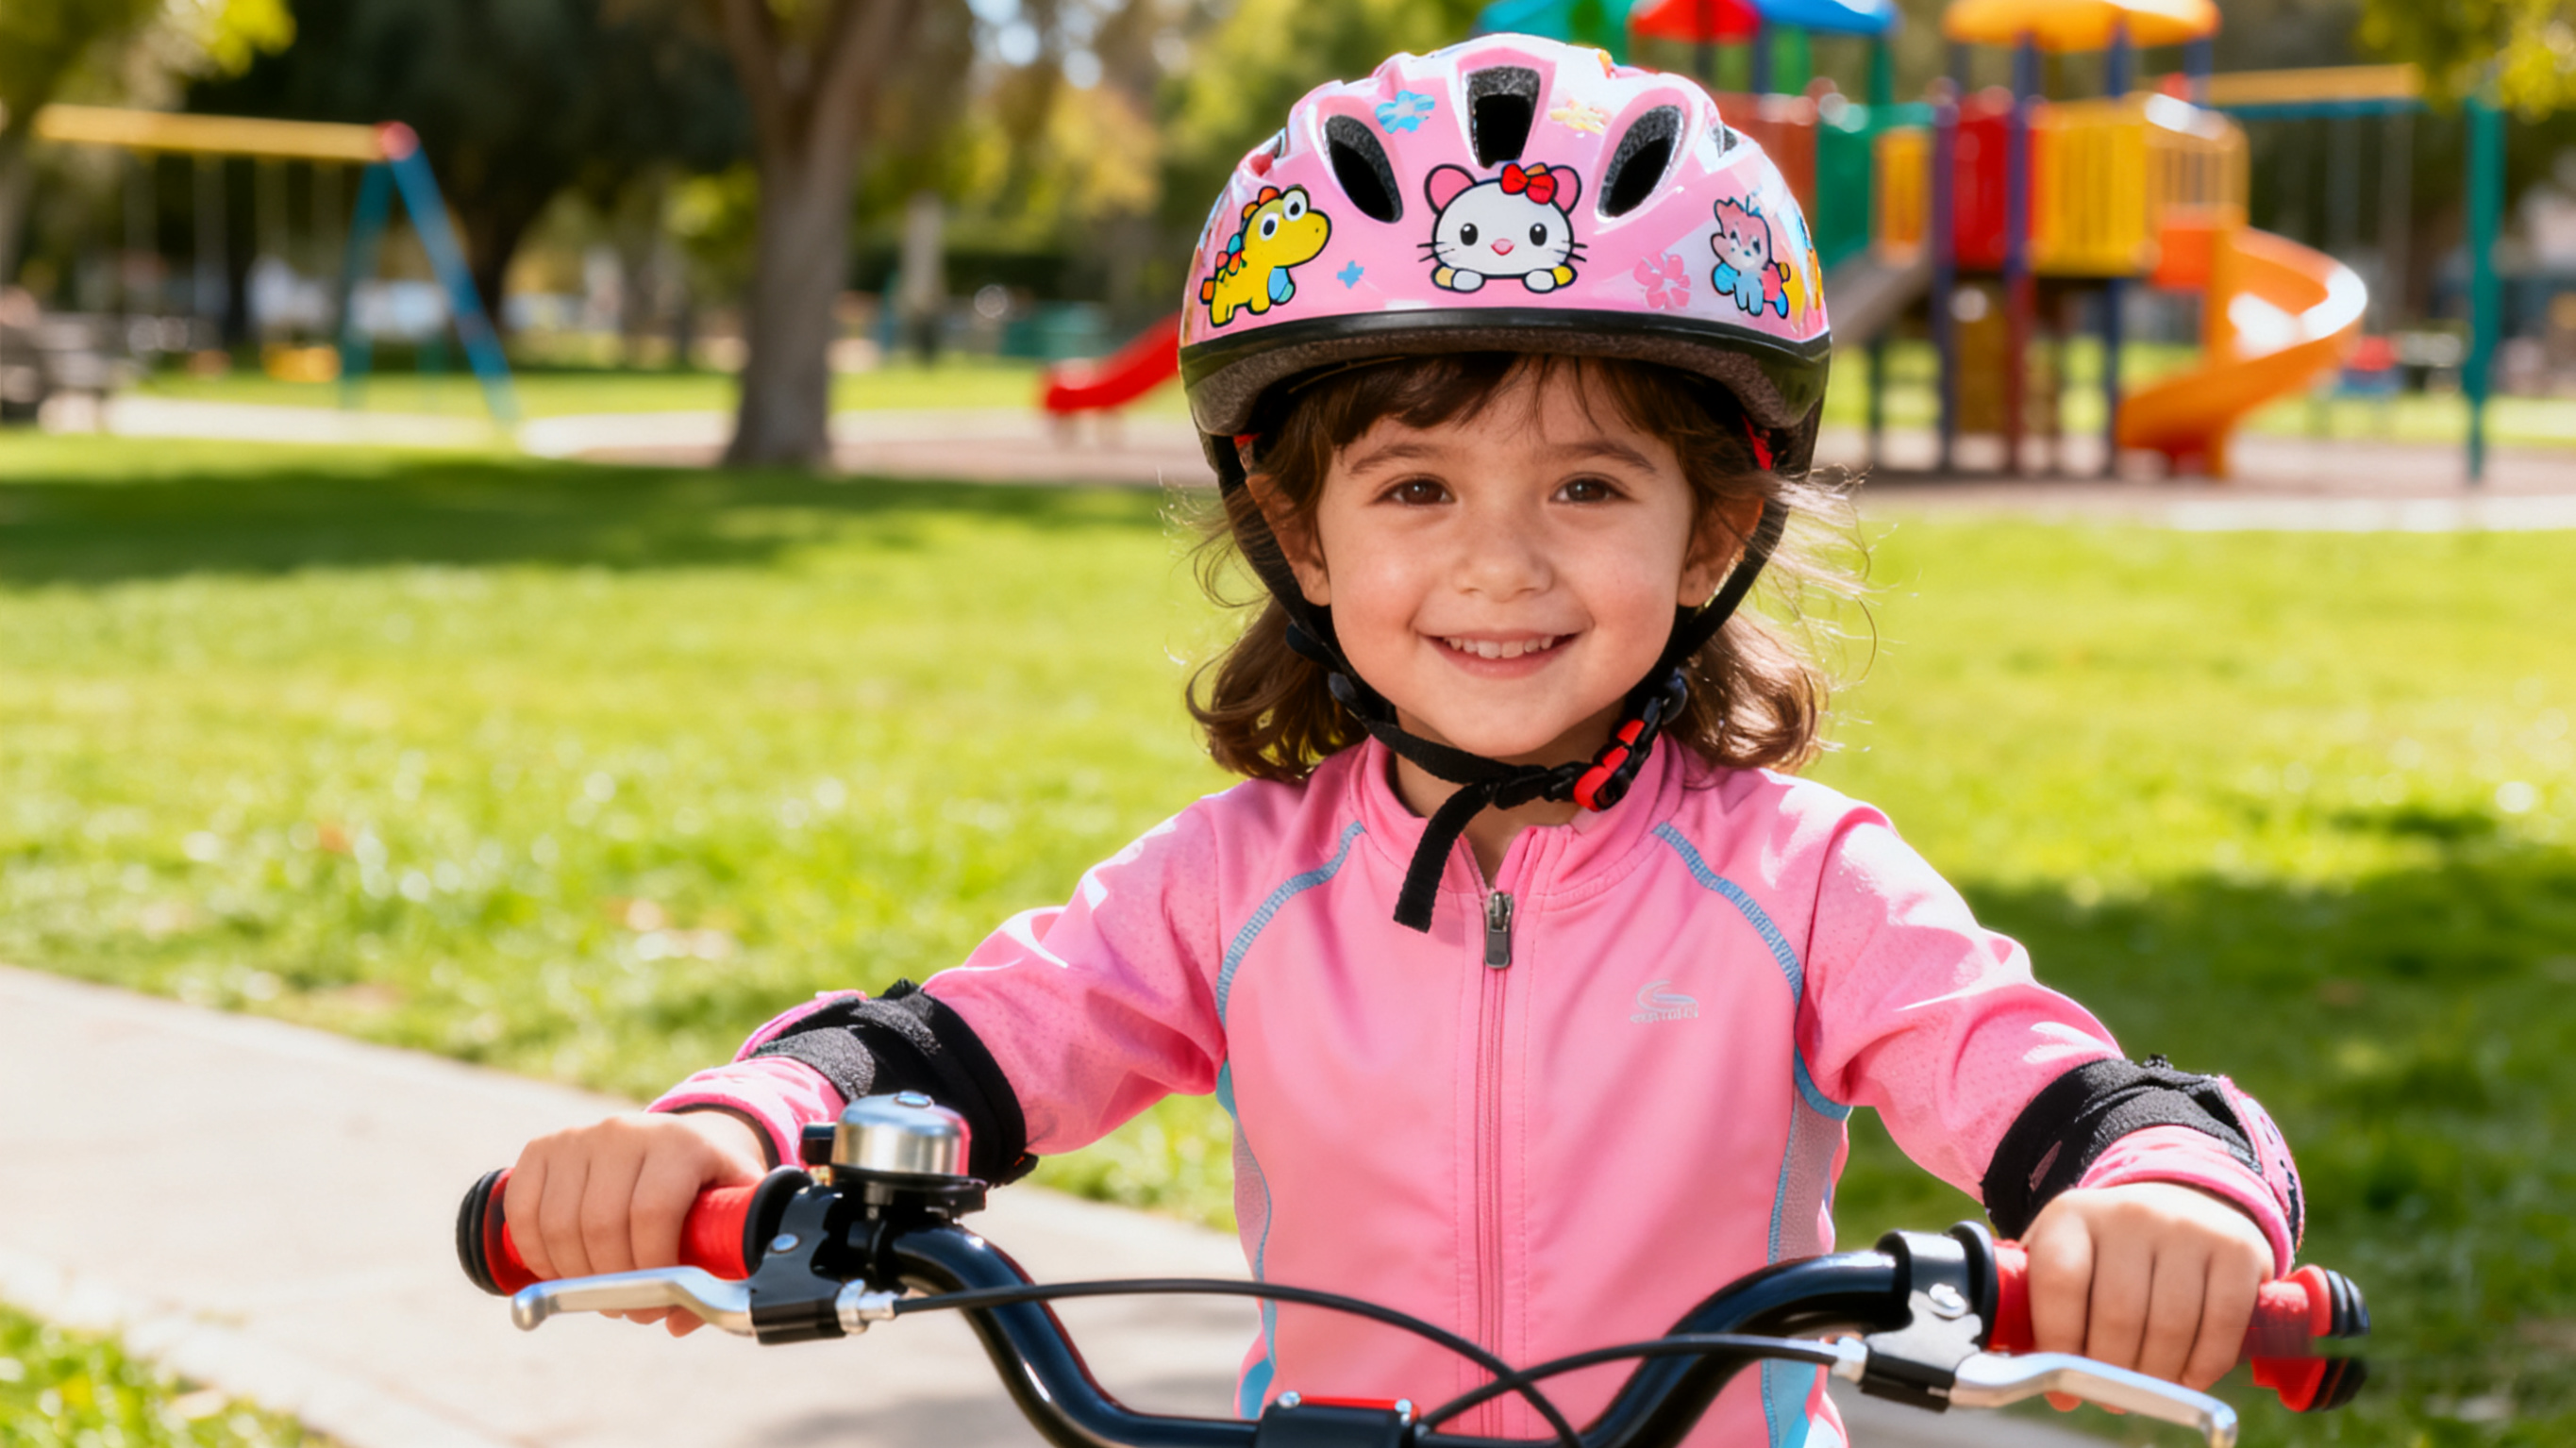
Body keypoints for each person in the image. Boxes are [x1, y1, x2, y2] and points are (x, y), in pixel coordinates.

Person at [497, 37, 2306, 1448]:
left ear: (1705, 535)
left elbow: (2042, 1074)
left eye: (1589, 483)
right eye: (1415, 486)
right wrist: (738, 1122)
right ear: (1300, 538)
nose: (1498, 562)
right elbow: (968, 1037)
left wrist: (2160, 1194)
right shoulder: (1232, 886)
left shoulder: (1801, 882)